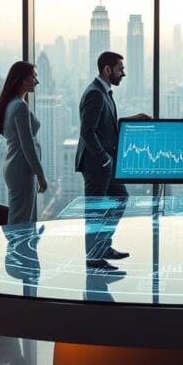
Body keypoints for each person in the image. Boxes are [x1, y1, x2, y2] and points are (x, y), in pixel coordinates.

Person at [75, 51, 149, 270]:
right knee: (95, 211)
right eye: (120, 69)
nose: (123, 74)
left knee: (120, 198)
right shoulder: (95, 94)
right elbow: (87, 132)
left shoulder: (103, 92)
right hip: (97, 164)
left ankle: (103, 246)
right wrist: (104, 159)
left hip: (105, 163)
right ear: (107, 70)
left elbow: (105, 124)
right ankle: (93, 258)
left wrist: (132, 119)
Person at [0, 61, 47, 225]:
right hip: (21, 167)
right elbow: (27, 145)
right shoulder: (20, 107)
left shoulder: (11, 104)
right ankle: (17, 243)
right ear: (22, 79)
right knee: (22, 219)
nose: (37, 81)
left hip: (16, 165)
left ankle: (19, 242)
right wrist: (40, 175)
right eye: (33, 77)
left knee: (21, 215)